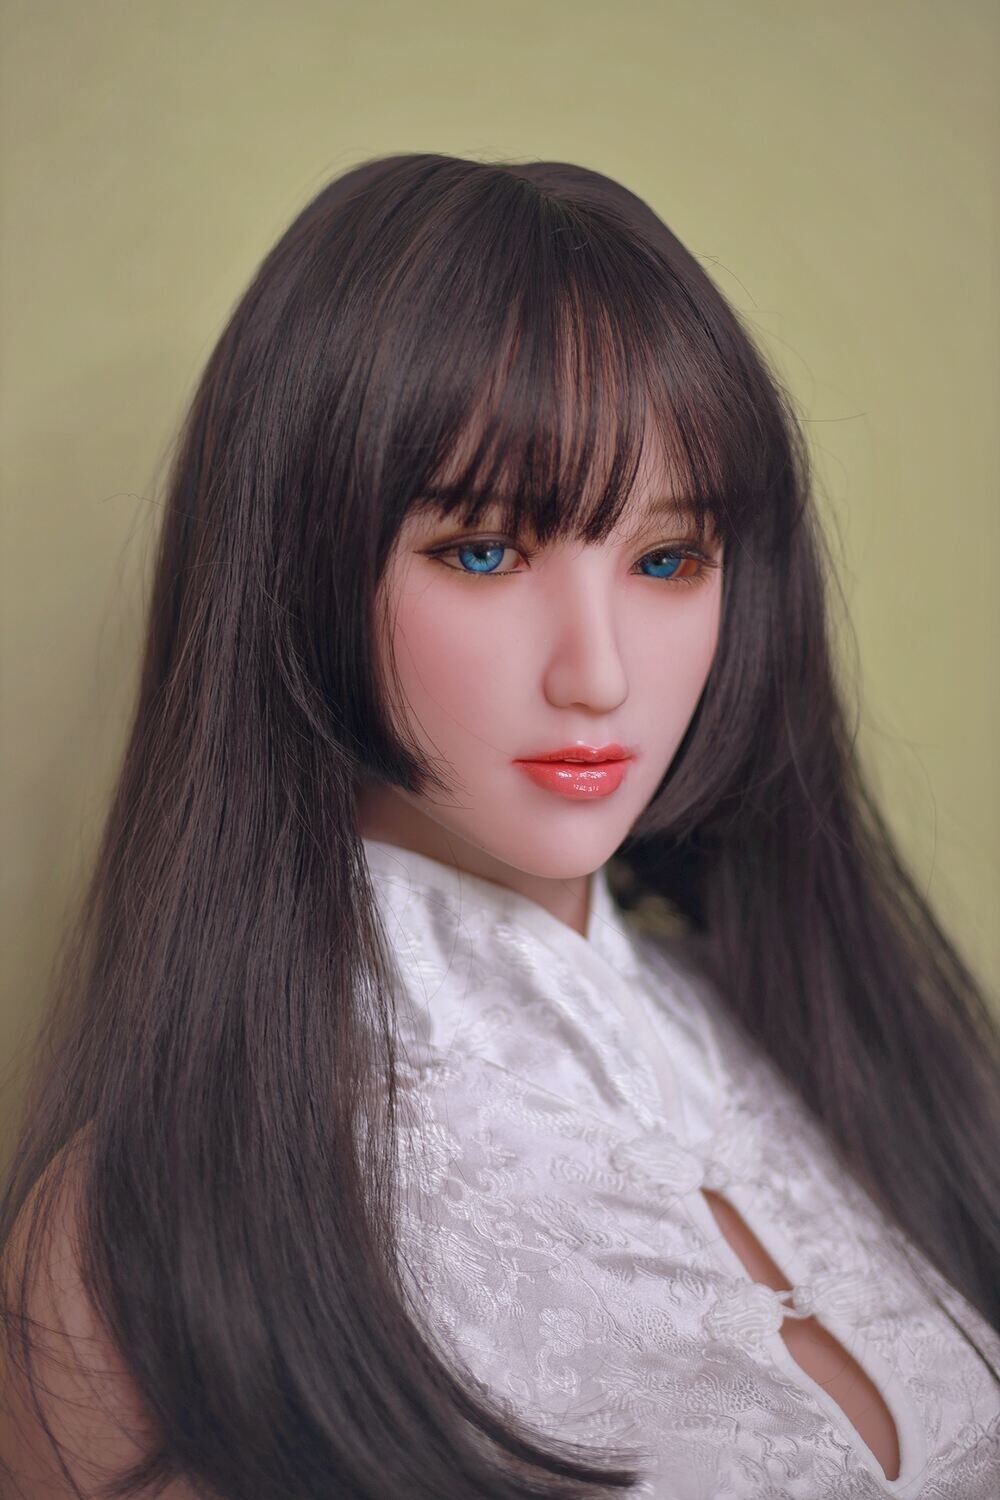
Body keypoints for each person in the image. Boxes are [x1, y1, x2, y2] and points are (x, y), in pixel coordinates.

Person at [1, 152, 997, 1500]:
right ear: (296, 567)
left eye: (668, 559)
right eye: (483, 550)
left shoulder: (841, 1054)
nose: (599, 672)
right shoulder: (152, 1240)